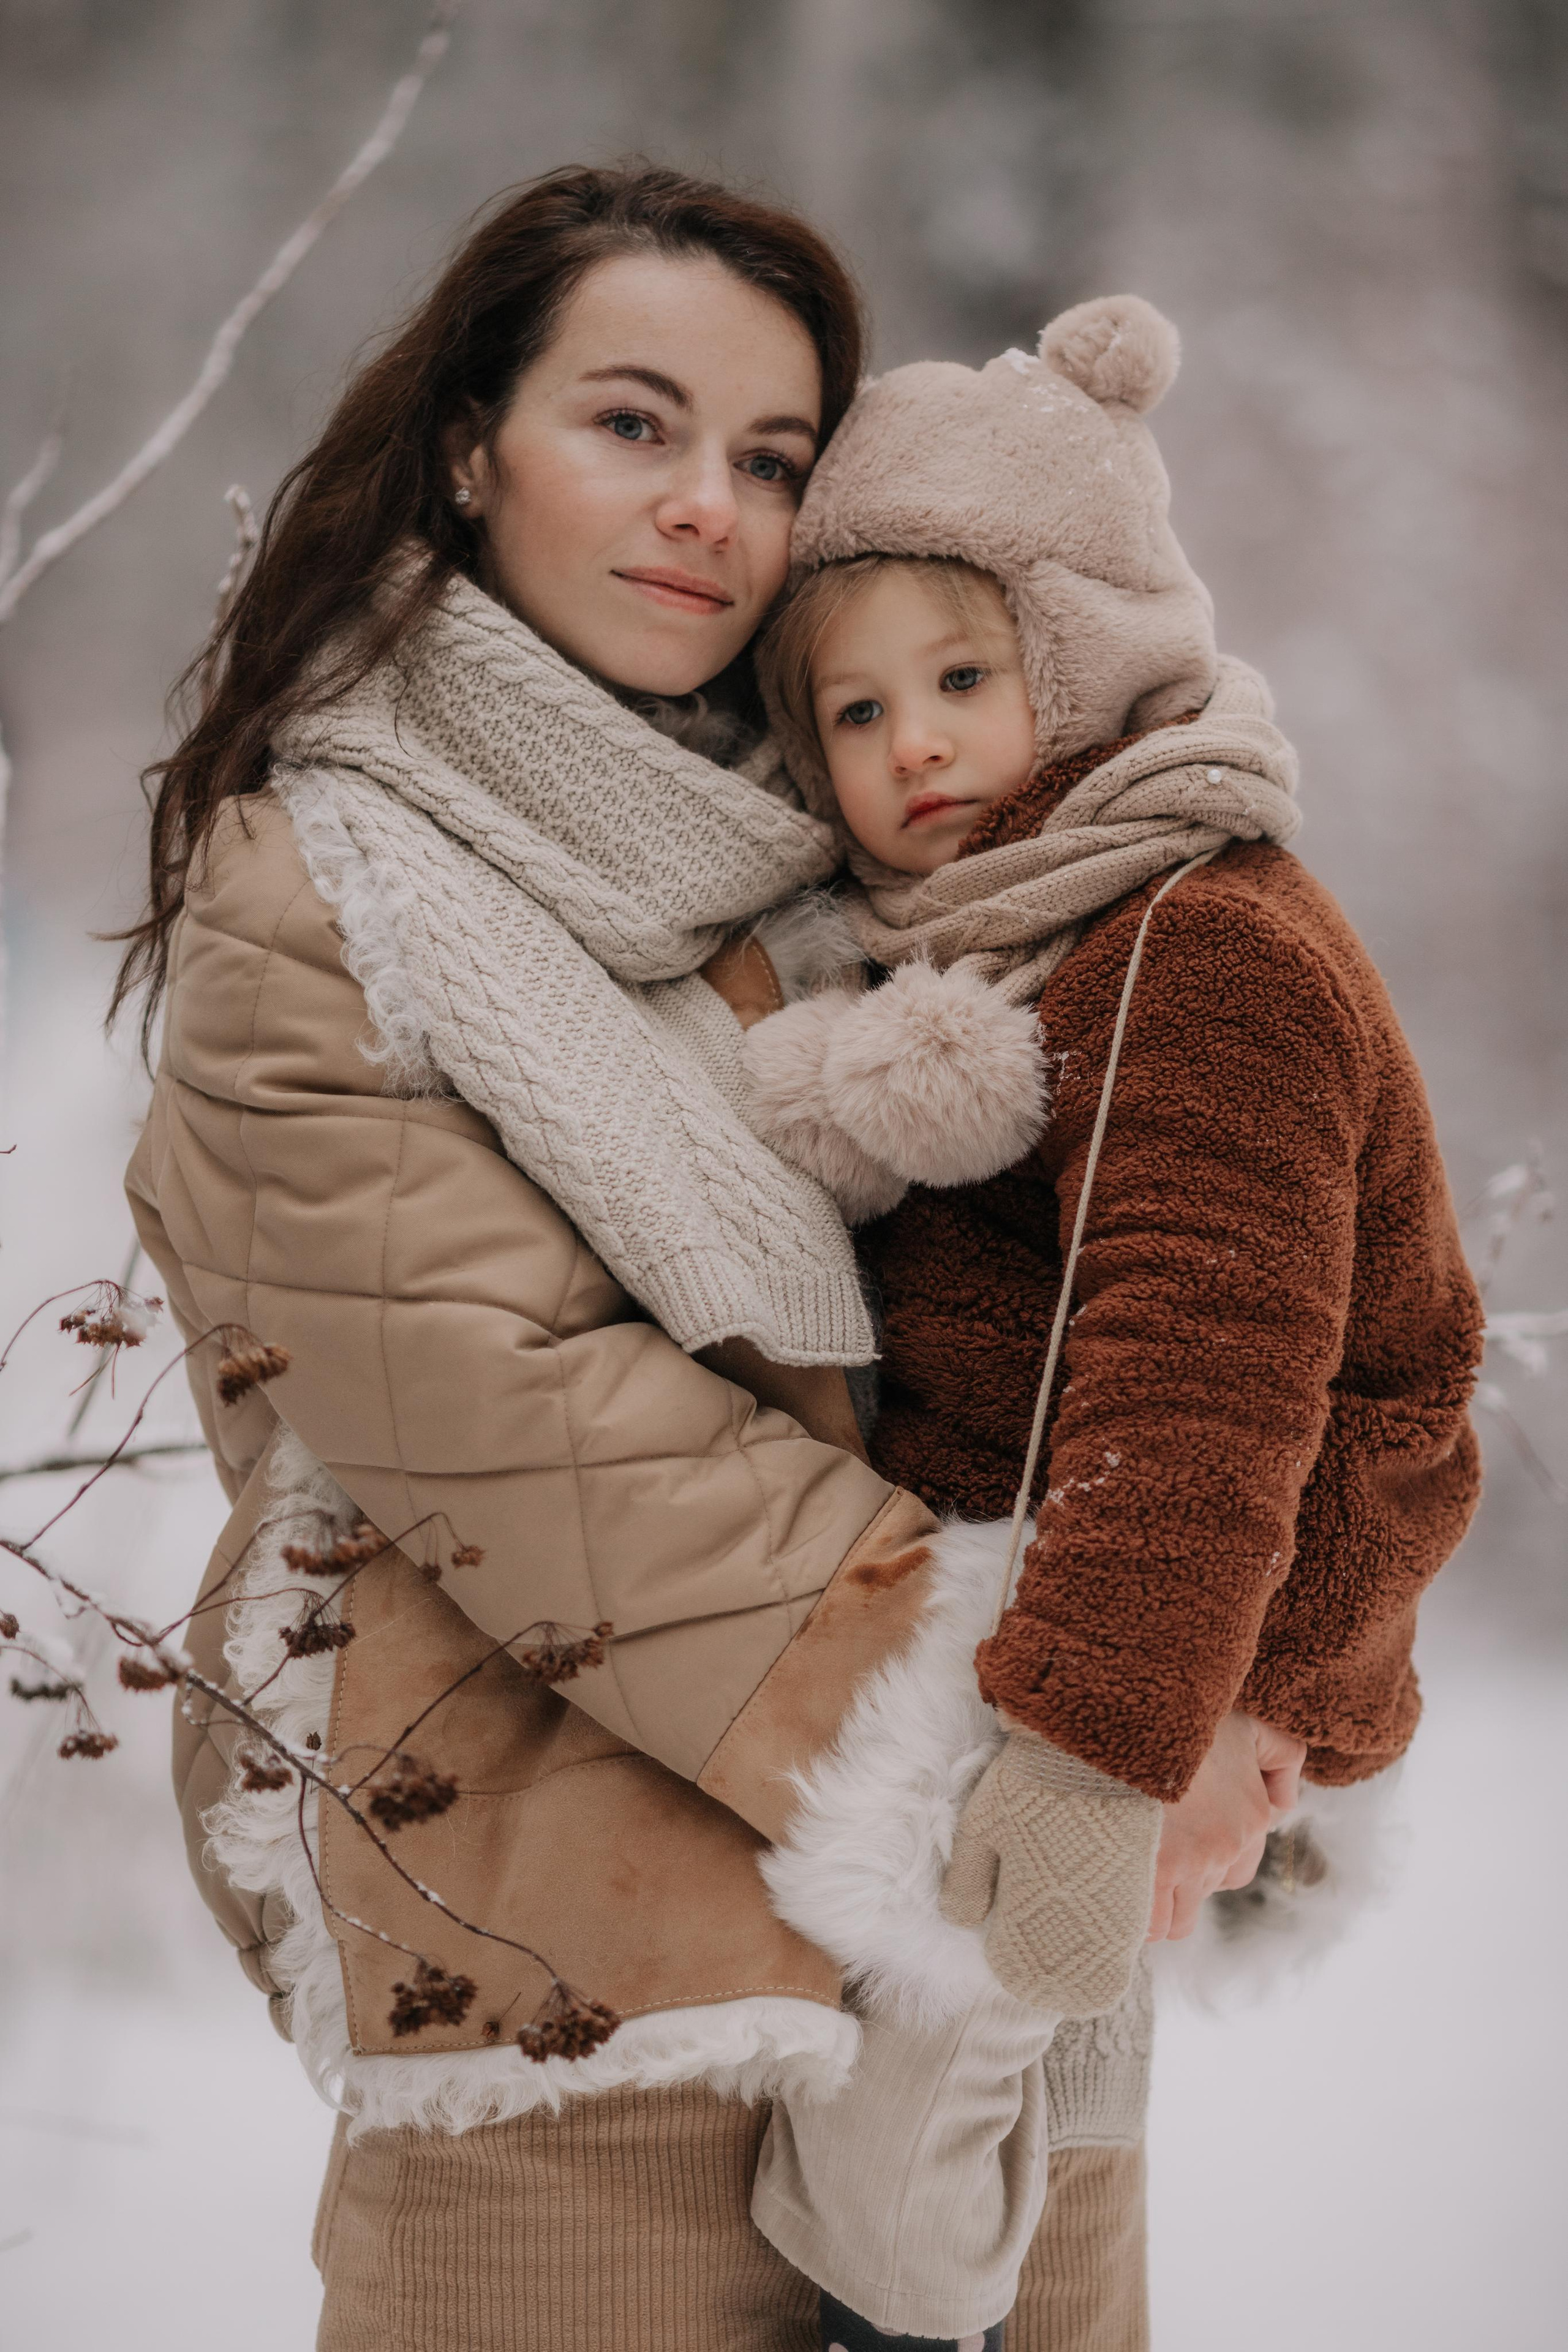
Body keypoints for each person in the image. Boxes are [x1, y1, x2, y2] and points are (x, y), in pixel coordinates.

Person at [115, 167, 1152, 2352]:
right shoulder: (322, 898)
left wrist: (1226, 1664)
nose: (709, 505)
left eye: (772, 459)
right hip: (590, 1996)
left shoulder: (880, 869)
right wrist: (1078, 1707)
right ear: (473, 444)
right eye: (635, 424)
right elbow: (524, 1433)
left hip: (990, 1998)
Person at [736, 296, 1485, 2348]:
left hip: (1101, 1665)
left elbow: (1203, 1388)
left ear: (1087, 646)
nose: (919, 752)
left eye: (966, 677)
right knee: (950, 2184)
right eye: (857, 717)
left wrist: (1089, 1765)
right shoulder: (1068, 934)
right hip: (1088, 1635)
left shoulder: (1198, 953)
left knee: (897, 2212)